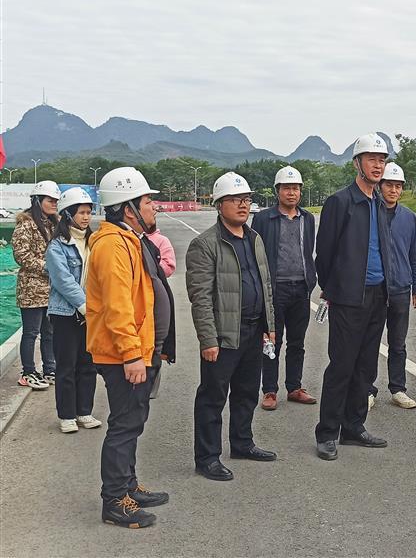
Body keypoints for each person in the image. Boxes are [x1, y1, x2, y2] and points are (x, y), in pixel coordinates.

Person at [86, 167, 173, 528]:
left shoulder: (128, 240)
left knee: (133, 422)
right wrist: (132, 354)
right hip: (123, 355)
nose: (153, 207)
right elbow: (118, 306)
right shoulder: (112, 246)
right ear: (128, 208)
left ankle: (128, 486)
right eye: (148, 201)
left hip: (138, 350)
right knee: (124, 425)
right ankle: (114, 502)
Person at [186, 172, 277, 482]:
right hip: (224, 335)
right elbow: (200, 297)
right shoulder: (205, 244)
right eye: (235, 200)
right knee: (212, 398)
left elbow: (265, 285)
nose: (243, 205)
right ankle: (207, 457)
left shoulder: (255, 239)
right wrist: (208, 339)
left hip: (253, 330)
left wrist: (270, 325)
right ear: (219, 204)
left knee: (247, 392)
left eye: (246, 199)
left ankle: (242, 443)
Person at [314, 133, 393, 460]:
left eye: (382, 160)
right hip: (348, 297)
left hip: (377, 296)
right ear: (357, 163)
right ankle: (327, 432)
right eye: (372, 159)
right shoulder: (341, 202)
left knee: (366, 366)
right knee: (342, 366)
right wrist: (334, 289)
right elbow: (324, 254)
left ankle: (354, 426)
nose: (378, 165)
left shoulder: (380, 203)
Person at [252, 165, 317, 410]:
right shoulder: (263, 219)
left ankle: (294, 387)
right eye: (287, 188)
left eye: (296, 188)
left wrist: (311, 280)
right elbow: (255, 254)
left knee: (297, 342)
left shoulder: (307, 219)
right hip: (274, 290)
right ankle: (269, 390)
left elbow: (308, 251)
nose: (291, 193)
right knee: (272, 341)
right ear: (277, 191)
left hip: (301, 288)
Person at [45, 186, 101, 433]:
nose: (86, 217)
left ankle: (84, 411)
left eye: (89, 212)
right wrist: (84, 306)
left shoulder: (94, 241)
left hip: (91, 312)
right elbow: (63, 280)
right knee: (66, 366)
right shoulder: (57, 246)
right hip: (66, 314)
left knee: (88, 364)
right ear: (68, 214)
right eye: (81, 213)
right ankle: (67, 415)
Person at [368, 162, 416, 410]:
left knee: (398, 343)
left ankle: (398, 388)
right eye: (389, 185)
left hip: (401, 287)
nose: (393, 190)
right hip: (375, 288)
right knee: (370, 341)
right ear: (380, 186)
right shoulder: (370, 212)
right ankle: (367, 389)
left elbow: (415, 255)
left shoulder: (408, 217)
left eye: (398, 186)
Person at [12, 180, 60, 389]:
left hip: (49, 289)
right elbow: (21, 255)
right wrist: (48, 267)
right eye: (50, 200)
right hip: (31, 288)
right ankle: (28, 372)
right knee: (31, 332)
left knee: (49, 332)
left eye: (56, 200)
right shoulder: (26, 224)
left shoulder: (52, 224)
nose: (54, 203)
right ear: (37, 200)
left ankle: (50, 369)